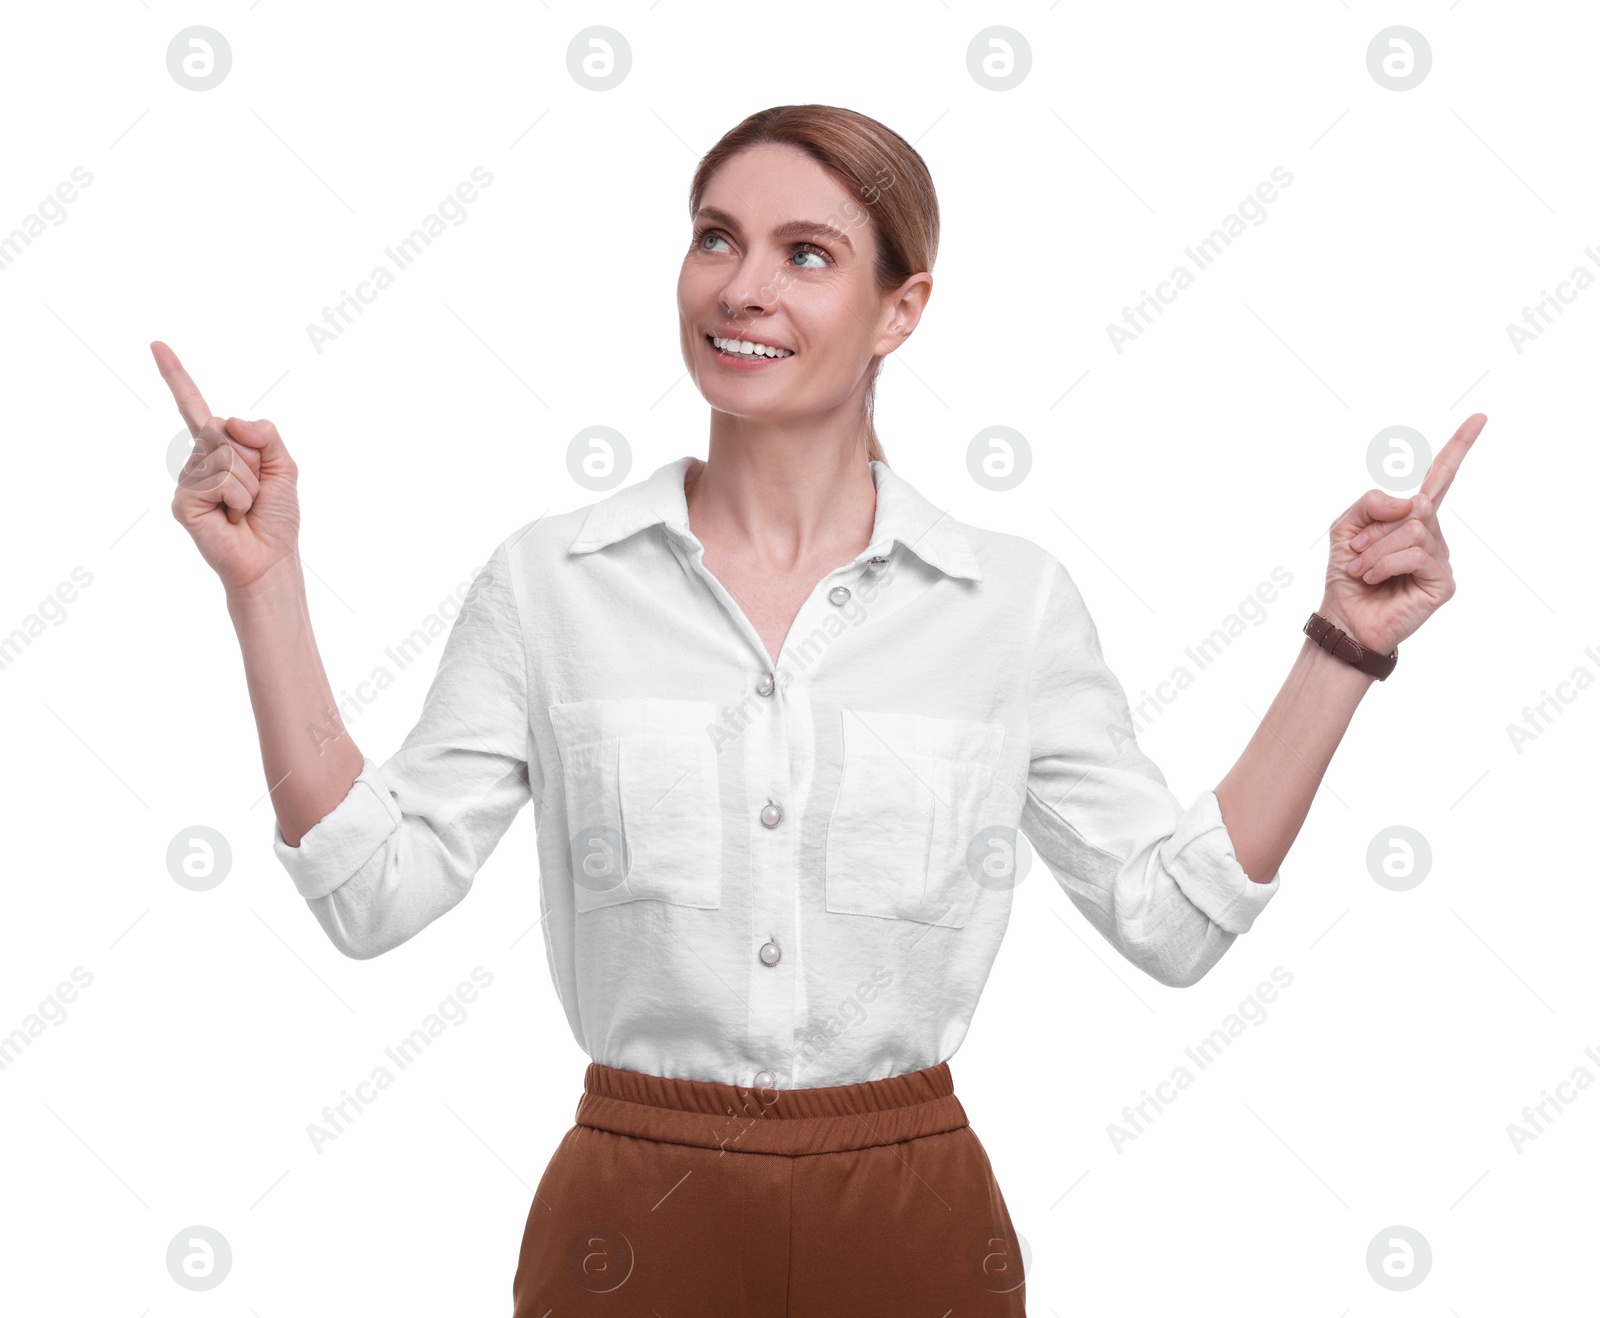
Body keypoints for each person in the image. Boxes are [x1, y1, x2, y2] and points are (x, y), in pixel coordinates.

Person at [156, 104, 1484, 1317]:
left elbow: (1172, 919)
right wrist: (265, 592)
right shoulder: (548, 582)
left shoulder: (1006, 604)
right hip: (634, 1224)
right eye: (716, 239)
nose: (741, 286)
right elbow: (373, 892)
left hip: (911, 1225)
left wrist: (1342, 646)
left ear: (900, 308)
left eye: (807, 254)